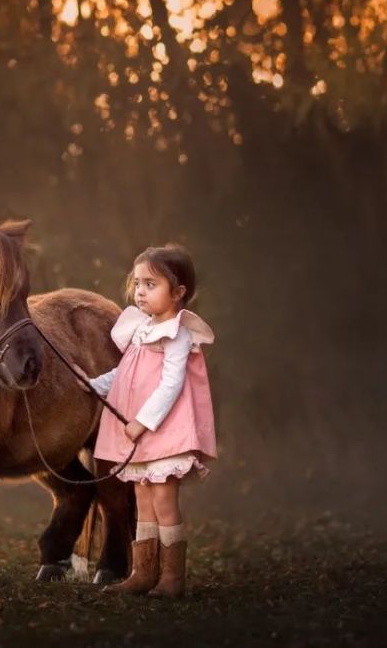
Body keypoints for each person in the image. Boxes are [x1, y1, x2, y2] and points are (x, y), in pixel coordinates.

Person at [80, 244, 216, 598]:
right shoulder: (140, 330)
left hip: (162, 433)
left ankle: (171, 578)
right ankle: (143, 572)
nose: (140, 291)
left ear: (178, 292)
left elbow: (171, 384)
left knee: (163, 500)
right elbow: (125, 375)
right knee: (141, 499)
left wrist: (142, 421)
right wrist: (93, 385)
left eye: (150, 284)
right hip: (139, 437)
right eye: (137, 283)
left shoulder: (176, 334)